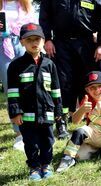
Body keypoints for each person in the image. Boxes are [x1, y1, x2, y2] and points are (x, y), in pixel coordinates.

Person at [39, 0, 101, 138]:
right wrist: (47, 39)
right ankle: (62, 123)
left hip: (87, 44)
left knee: (89, 82)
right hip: (61, 44)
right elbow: (44, 17)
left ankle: (97, 119)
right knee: (63, 83)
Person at [7, 23, 63, 180]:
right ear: (21, 42)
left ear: (44, 41)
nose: (34, 43)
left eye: (37, 39)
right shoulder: (16, 66)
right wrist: (15, 111)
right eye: (29, 39)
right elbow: (12, 92)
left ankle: (46, 164)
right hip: (27, 114)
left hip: (47, 112)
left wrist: (58, 110)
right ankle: (34, 167)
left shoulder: (50, 65)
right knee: (30, 141)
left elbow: (56, 90)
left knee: (47, 140)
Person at [0, 0, 36, 151]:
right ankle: (19, 133)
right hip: (3, 45)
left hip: (23, 44)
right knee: (11, 89)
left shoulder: (26, 5)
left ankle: (32, 127)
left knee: (28, 86)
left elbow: (35, 27)